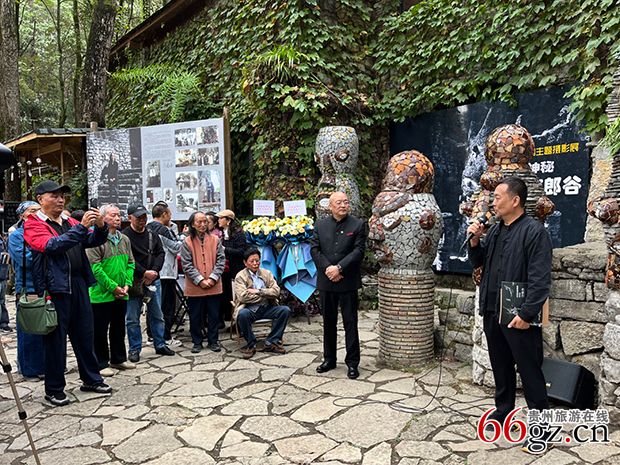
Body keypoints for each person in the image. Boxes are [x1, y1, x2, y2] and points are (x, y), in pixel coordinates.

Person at [467, 177, 551, 445]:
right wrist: (474, 241)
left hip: (518, 315)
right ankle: (503, 411)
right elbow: (479, 263)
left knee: (529, 370)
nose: (493, 202)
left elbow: (540, 280)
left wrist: (526, 314)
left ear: (515, 201)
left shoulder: (534, 232)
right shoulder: (494, 230)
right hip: (493, 310)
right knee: (500, 366)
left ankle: (541, 424)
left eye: (498, 197)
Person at [24, 180, 112, 406]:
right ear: (40, 199)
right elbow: (52, 246)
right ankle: (54, 389)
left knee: (85, 334)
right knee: (55, 341)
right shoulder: (33, 224)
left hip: (78, 283)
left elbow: (92, 240)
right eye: (54, 196)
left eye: (62, 196)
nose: (60, 200)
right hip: (55, 288)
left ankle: (91, 379)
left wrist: (100, 226)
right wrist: (81, 228)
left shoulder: (68, 221)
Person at [310, 191, 366, 380]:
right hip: (327, 281)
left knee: (350, 323)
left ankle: (352, 363)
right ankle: (329, 359)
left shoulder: (357, 224)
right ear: (330, 206)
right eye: (339, 202)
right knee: (328, 322)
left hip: (347, 280)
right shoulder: (320, 225)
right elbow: (315, 250)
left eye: (345, 202)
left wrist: (339, 268)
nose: (343, 205)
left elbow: (358, 251)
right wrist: (329, 269)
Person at [86, 204, 136, 377]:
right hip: (101, 293)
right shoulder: (94, 239)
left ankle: (118, 358)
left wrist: (127, 284)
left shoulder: (124, 239)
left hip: (122, 292)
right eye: (113, 215)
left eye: (118, 215)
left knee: (119, 327)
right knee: (99, 330)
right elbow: (95, 268)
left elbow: (131, 262)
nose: (117, 218)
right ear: (102, 218)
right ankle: (100, 363)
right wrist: (113, 287)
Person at [123, 204, 175, 362]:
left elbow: (161, 253)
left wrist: (154, 271)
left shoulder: (152, 234)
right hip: (134, 281)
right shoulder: (125, 236)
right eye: (138, 217)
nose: (142, 220)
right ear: (130, 218)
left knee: (157, 314)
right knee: (132, 318)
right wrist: (143, 272)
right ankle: (134, 348)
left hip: (154, 280)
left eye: (144, 217)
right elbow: (127, 259)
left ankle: (160, 344)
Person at [8, 201, 44, 378]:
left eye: (39, 210)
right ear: (22, 215)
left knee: (46, 327)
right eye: (32, 210)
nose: (36, 213)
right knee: (29, 330)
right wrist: (46, 251)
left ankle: (45, 366)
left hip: (46, 287)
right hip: (27, 288)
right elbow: (26, 260)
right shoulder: (17, 236)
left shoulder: (44, 230)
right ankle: (29, 369)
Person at [233, 248, 291, 359]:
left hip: (267, 307)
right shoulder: (240, 276)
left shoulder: (267, 273)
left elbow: (276, 291)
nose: (255, 263)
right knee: (242, 314)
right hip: (250, 309)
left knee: (285, 310)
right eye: (252, 261)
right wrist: (266, 295)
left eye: (257, 260)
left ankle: (271, 341)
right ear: (245, 263)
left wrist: (259, 291)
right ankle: (251, 344)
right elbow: (243, 297)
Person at [180, 211, 225, 353]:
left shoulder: (215, 240)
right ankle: (197, 342)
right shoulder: (187, 242)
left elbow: (221, 260)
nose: (203, 224)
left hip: (214, 285)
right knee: (195, 316)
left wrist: (212, 278)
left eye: (205, 221)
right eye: (199, 222)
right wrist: (200, 280)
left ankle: (213, 341)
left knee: (214, 315)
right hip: (194, 286)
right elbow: (186, 265)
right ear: (192, 224)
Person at [147, 201, 184, 348]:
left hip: (152, 272)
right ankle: (166, 336)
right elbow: (175, 247)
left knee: (153, 306)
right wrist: (184, 238)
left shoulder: (147, 227)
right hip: (166, 272)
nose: (170, 217)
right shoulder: (163, 229)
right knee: (167, 306)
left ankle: (151, 336)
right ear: (164, 214)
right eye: (169, 214)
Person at [217, 209, 247, 327]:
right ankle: (225, 318)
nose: (218, 220)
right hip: (224, 269)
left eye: (221, 218)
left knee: (236, 294)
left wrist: (225, 249)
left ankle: (238, 321)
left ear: (228, 220)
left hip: (236, 268)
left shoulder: (239, 234)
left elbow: (241, 251)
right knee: (224, 294)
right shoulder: (221, 233)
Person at [0, 233, 11, 332]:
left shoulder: (2, 239)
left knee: (2, 301)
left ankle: (3, 322)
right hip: (2, 273)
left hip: (3, 274)